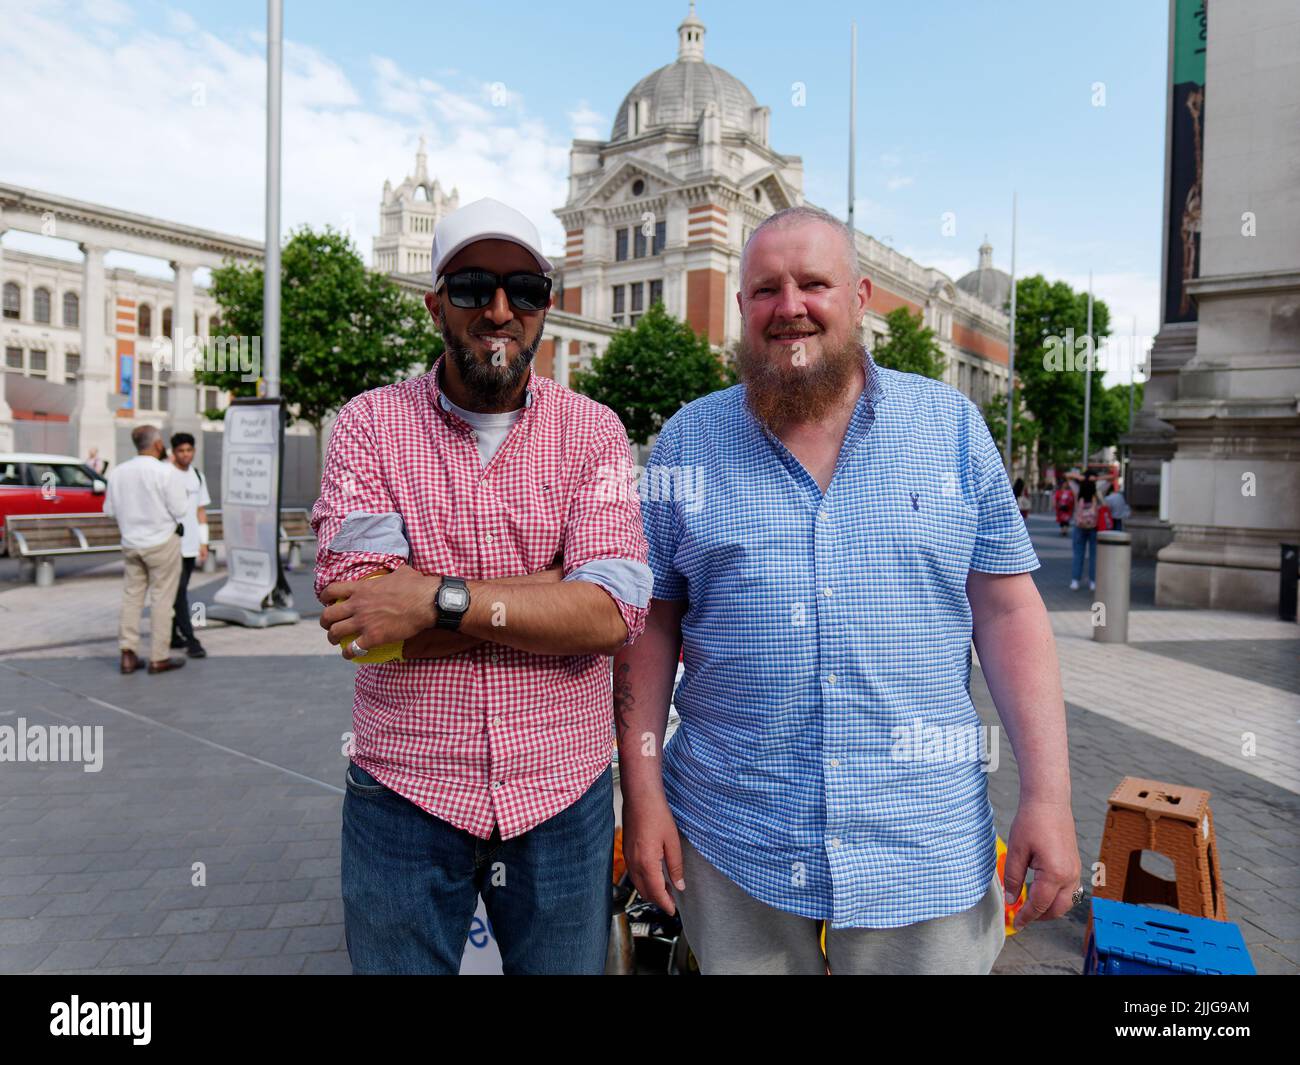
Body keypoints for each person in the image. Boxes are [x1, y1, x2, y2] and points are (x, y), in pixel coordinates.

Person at [613, 206, 1080, 975]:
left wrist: (1048, 796)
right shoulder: (689, 441)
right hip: (737, 837)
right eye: (766, 289)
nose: (789, 306)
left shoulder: (952, 429)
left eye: (813, 283)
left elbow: (1009, 612)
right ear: (741, 308)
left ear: (860, 297)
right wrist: (644, 793)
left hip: (920, 839)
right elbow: (650, 624)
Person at [311, 197, 652, 975]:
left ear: (545, 308)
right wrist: (553, 589)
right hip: (405, 793)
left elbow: (614, 612)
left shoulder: (593, 429)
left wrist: (435, 596)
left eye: (523, 289)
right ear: (436, 304)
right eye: (471, 286)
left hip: (560, 799)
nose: (499, 309)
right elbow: (364, 627)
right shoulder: (368, 424)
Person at [103, 424, 188, 674]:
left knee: (132, 597)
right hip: (161, 541)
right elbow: (180, 509)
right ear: (158, 444)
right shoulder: (165, 472)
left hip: (131, 542)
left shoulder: (118, 472)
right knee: (162, 599)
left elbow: (109, 511)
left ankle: (127, 654)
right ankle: (158, 657)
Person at [168, 432, 210, 658]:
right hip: (171, 542)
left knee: (179, 590)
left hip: (191, 543)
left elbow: (200, 510)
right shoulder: (166, 474)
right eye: (181, 451)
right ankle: (191, 639)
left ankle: (174, 634)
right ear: (173, 452)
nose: (186, 454)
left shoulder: (197, 476)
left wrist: (204, 541)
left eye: (189, 450)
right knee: (179, 591)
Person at [1070, 479, 1101, 591]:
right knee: (1094, 556)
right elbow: (1112, 479)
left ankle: (1075, 581)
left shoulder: (1078, 495)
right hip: (1094, 527)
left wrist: (1082, 478)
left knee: (1078, 554)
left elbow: (1068, 477)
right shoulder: (1096, 497)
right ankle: (1093, 582)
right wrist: (1095, 478)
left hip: (1079, 527)